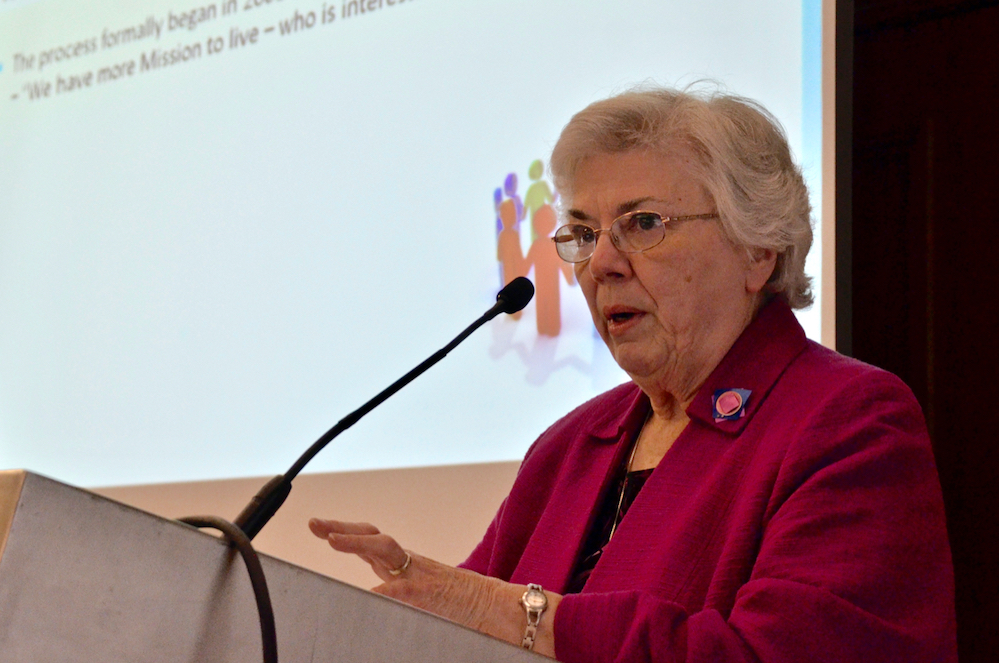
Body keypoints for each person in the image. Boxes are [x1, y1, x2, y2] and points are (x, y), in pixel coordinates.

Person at [309, 86, 957, 662]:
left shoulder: (850, 421)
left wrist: (523, 617)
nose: (602, 263)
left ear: (758, 247)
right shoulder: (566, 449)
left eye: (643, 223)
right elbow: (458, 621)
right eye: (584, 234)